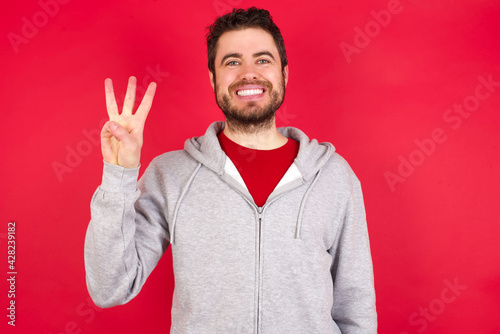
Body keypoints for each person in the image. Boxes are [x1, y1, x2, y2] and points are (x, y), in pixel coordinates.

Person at [84, 7, 377, 334]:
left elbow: (356, 305)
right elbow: (110, 287)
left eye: (263, 60)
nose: (248, 73)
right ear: (213, 78)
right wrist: (118, 175)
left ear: (284, 73)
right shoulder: (170, 175)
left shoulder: (334, 176)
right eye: (233, 61)